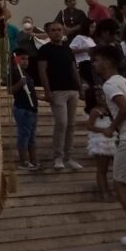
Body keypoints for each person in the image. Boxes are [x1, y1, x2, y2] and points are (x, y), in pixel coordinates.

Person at [91, 44, 126, 247]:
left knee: (120, 184)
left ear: (107, 62)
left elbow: (125, 108)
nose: (94, 64)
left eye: (96, 60)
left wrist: (112, 127)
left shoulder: (110, 84)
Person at [37, 21, 83, 171]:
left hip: (72, 90)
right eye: (53, 30)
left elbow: (73, 69)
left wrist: (80, 87)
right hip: (57, 91)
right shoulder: (44, 50)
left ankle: (68, 156)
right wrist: (47, 91)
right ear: (48, 33)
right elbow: (42, 71)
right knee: (61, 123)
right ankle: (58, 156)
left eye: (59, 29)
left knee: (71, 124)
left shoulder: (67, 49)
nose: (57, 32)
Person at [84, 84, 115, 201]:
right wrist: (104, 130)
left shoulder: (108, 109)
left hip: (111, 140)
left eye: (102, 94)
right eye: (98, 96)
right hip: (101, 141)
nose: (101, 97)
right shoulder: (94, 111)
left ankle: (110, 190)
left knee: (111, 169)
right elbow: (89, 126)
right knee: (102, 170)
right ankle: (104, 193)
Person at [9, 51, 39, 170]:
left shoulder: (27, 74)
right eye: (22, 59)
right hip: (22, 108)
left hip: (32, 109)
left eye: (27, 59)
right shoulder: (14, 73)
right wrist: (20, 83)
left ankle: (34, 160)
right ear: (16, 60)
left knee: (31, 137)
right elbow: (10, 90)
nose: (26, 61)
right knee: (24, 135)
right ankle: (24, 161)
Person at [69, 19, 96, 86]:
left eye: (94, 27)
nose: (94, 29)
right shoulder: (79, 38)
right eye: (92, 27)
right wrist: (85, 49)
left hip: (91, 65)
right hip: (82, 65)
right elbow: (69, 50)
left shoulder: (90, 39)